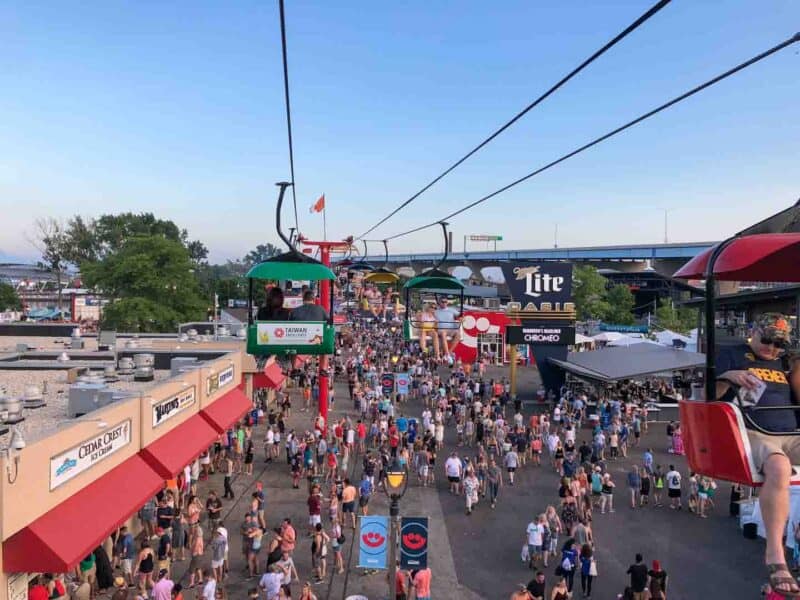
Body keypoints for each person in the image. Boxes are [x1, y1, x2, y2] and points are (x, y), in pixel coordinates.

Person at [715, 313, 800, 596]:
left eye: (778, 344)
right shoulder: (732, 354)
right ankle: (775, 555)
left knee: (783, 460)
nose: (772, 348)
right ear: (753, 332)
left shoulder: (784, 363)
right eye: (767, 340)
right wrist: (728, 376)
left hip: (792, 431)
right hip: (757, 431)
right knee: (778, 466)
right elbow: (708, 395)